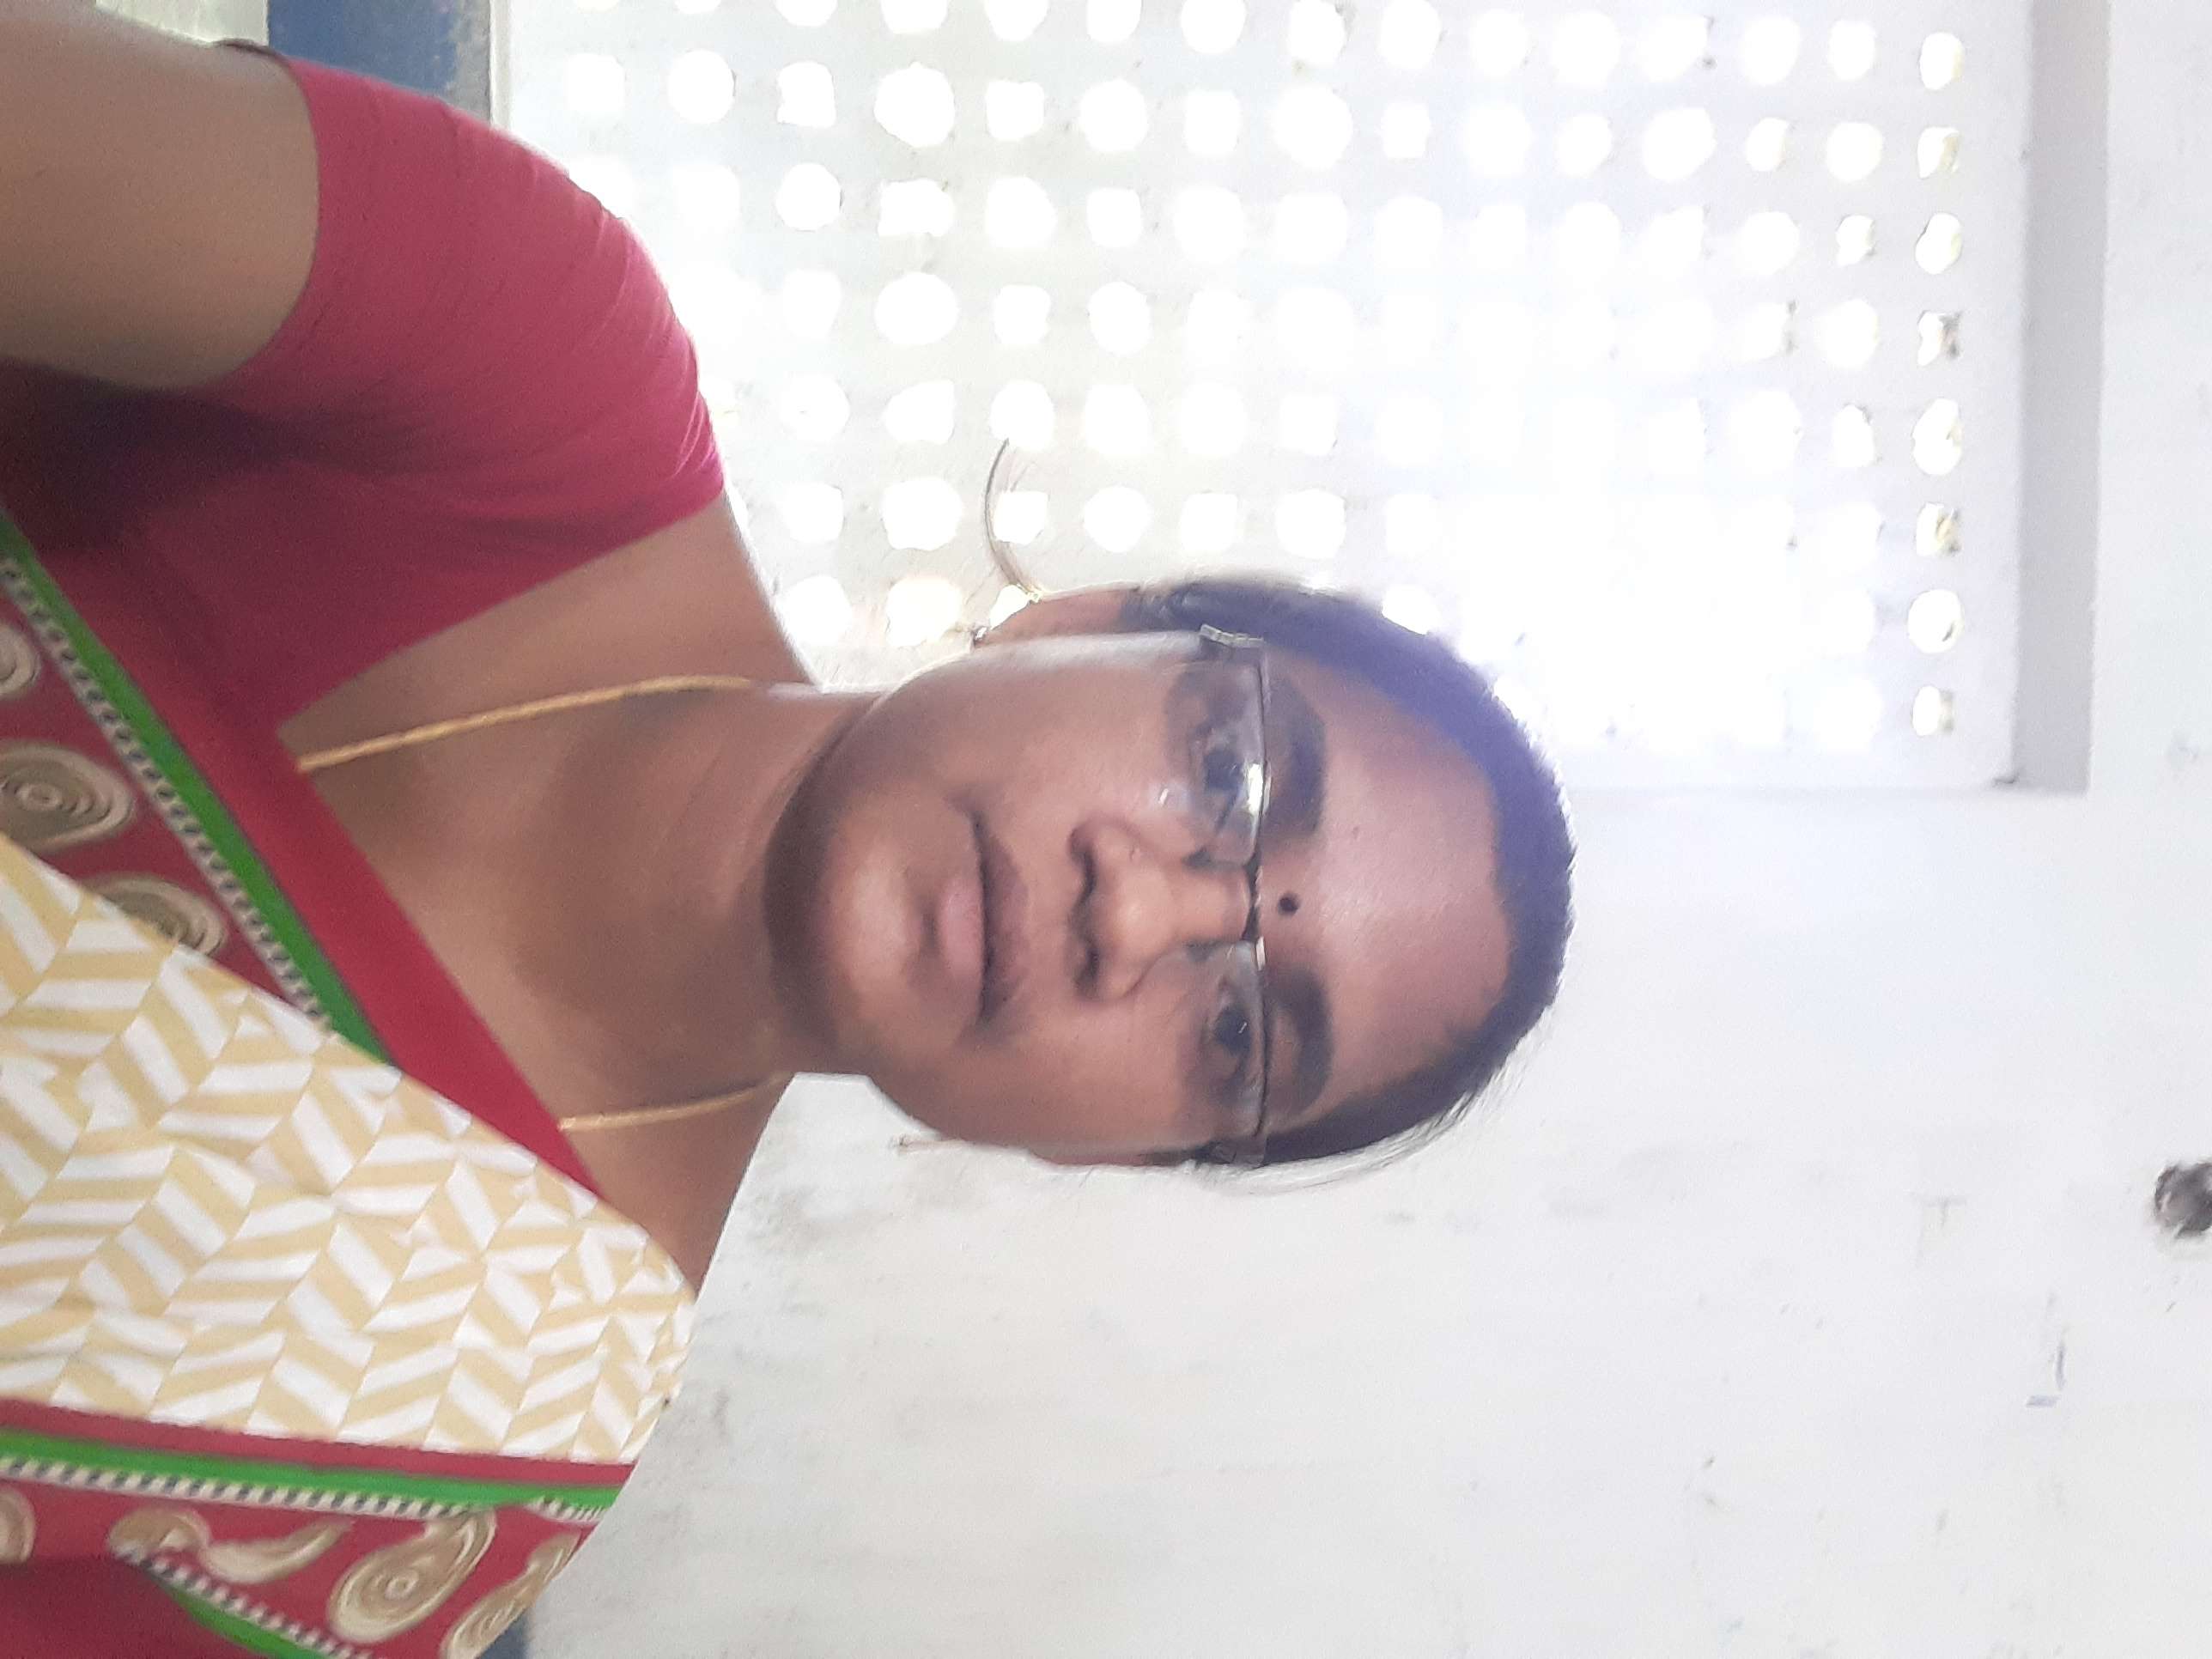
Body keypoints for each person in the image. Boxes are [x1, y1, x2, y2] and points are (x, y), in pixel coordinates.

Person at [0, 9, 1574, 1656]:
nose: (1142, 919)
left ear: (1110, 1151)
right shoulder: (529, 360)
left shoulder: (448, 1461)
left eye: (1243, 1031)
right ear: (1082, 621)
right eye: (1231, 776)